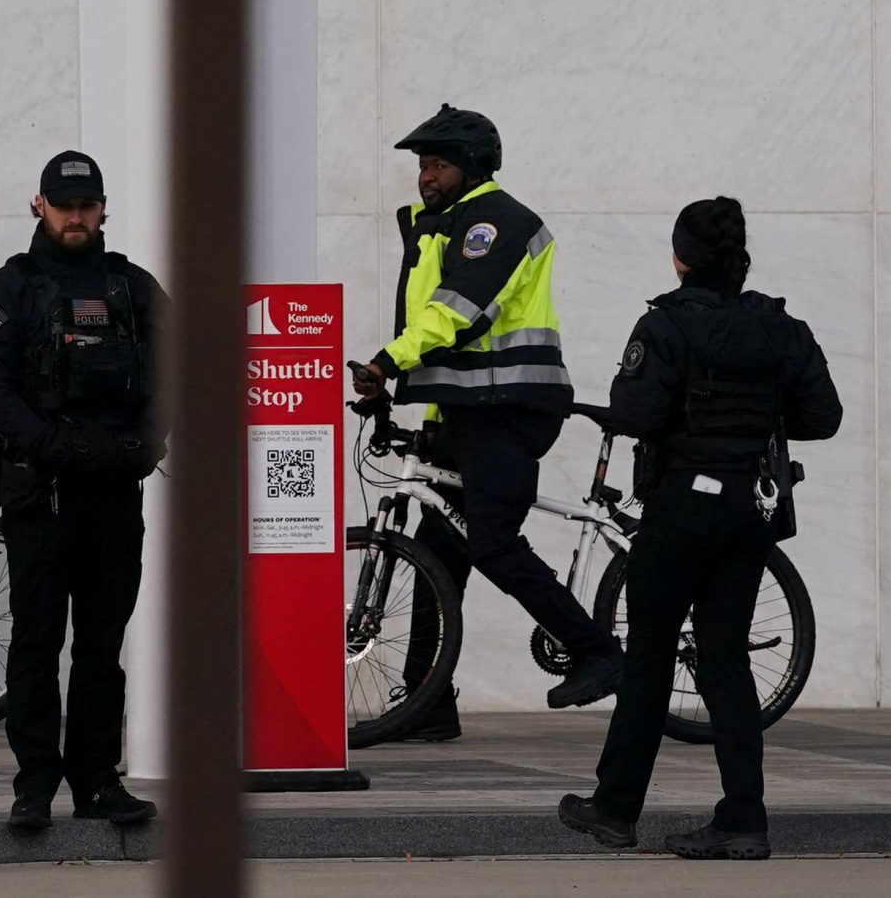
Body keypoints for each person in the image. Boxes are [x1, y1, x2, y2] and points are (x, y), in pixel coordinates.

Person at [558, 197, 842, 862]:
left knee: (650, 655)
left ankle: (615, 808)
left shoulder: (665, 326)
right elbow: (822, 415)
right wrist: (754, 419)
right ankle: (743, 816)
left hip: (680, 507)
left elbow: (633, 410)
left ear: (681, 258)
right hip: (750, 510)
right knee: (725, 659)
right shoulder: (781, 327)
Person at [349, 104, 624, 737]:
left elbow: (459, 312)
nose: (425, 176)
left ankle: (595, 651)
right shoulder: (440, 226)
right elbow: (437, 337)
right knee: (437, 552)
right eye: (422, 165)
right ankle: (427, 701)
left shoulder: (496, 223)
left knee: (492, 541)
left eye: (438, 165)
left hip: (508, 408)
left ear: (471, 166)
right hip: (467, 408)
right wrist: (393, 392)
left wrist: (388, 363)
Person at [0, 151, 166, 831]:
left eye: (86, 204)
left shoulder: (133, 287)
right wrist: (44, 443)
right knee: (37, 642)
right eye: (62, 203)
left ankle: (98, 782)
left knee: (101, 646)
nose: (75, 215)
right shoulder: (11, 289)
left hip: (112, 492)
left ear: (103, 207)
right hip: (40, 494)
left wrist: (147, 441)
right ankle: (34, 785)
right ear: (39, 205)